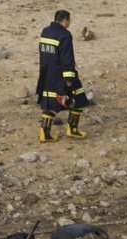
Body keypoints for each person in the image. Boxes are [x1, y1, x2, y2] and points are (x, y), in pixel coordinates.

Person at [36, 9, 90, 142]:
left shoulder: (45, 32)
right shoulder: (64, 35)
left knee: (49, 103)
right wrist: (69, 79)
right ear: (65, 20)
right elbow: (67, 58)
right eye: (69, 21)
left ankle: (45, 133)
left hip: (47, 74)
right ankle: (72, 129)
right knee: (79, 99)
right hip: (62, 76)